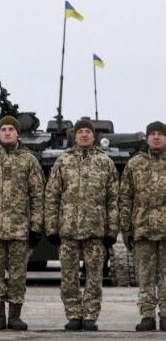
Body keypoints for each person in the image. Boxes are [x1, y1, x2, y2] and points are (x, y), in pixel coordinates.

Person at [0, 115, 44, 330]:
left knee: (18, 275)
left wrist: (36, 227)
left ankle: (14, 316)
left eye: (11, 129)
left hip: (19, 229)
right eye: (3, 129)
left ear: (17, 133)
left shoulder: (29, 161)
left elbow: (38, 195)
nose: (7, 132)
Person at [46, 119, 119, 331]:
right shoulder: (63, 161)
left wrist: (112, 231)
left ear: (93, 136)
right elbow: (52, 196)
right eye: (80, 132)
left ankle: (90, 316)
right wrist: (52, 228)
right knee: (68, 278)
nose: (84, 135)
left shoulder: (105, 162)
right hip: (68, 230)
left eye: (88, 131)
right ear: (75, 136)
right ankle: (73, 314)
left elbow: (113, 200)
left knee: (94, 278)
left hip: (95, 231)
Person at [119, 121, 166, 332]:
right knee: (145, 276)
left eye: (160, 134)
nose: (156, 137)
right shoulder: (134, 164)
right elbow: (125, 197)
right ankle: (147, 315)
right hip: (143, 229)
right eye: (152, 134)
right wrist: (126, 228)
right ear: (147, 138)